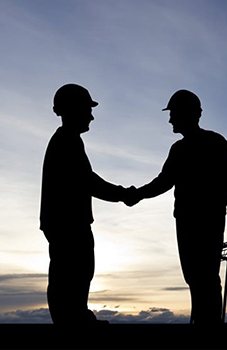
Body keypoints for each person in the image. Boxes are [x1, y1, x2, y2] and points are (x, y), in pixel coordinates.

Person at [125, 90, 227, 324]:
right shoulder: (180, 149)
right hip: (187, 220)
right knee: (195, 275)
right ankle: (201, 321)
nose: (170, 120)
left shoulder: (214, 142)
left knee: (205, 274)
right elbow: (164, 181)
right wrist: (138, 194)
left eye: (174, 114)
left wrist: (213, 208)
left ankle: (208, 325)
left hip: (205, 220)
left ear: (190, 114)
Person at [40, 83, 132, 325]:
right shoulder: (66, 141)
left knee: (75, 272)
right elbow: (88, 182)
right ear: (72, 109)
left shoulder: (67, 140)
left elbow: (86, 181)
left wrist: (122, 194)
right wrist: (123, 194)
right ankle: (72, 322)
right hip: (68, 222)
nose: (91, 116)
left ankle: (75, 317)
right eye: (87, 109)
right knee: (73, 272)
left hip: (65, 221)